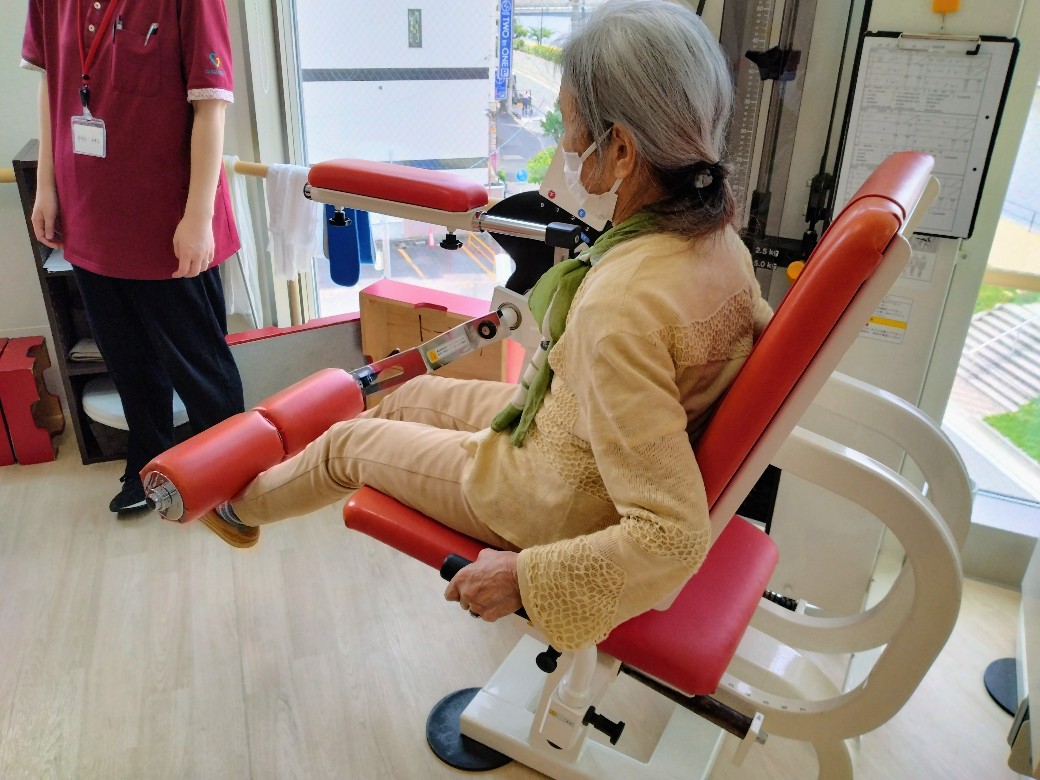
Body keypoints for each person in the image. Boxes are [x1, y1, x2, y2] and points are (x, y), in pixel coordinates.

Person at [184, 0, 771, 652]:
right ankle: (274, 477)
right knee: (401, 393)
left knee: (346, 446)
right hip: (565, 431)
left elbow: (672, 536)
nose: (565, 147)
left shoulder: (620, 307)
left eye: (572, 128)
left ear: (624, 150)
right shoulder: (719, 243)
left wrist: (524, 577)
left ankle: (233, 506)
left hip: (549, 499)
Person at [22, 0, 246, 513]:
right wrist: (46, 188)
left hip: (169, 217)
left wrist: (198, 218)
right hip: (89, 213)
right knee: (125, 358)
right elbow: (53, 85)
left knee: (199, 364)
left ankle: (232, 474)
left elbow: (211, 105)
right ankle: (150, 463)